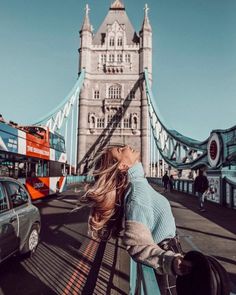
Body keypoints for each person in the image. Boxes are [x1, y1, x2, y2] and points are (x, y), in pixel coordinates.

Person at [82, 145, 191, 294]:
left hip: (169, 255)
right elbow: (136, 245)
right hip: (167, 261)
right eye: (120, 150)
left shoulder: (138, 183)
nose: (127, 146)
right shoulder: (136, 189)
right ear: (122, 165)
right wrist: (170, 261)